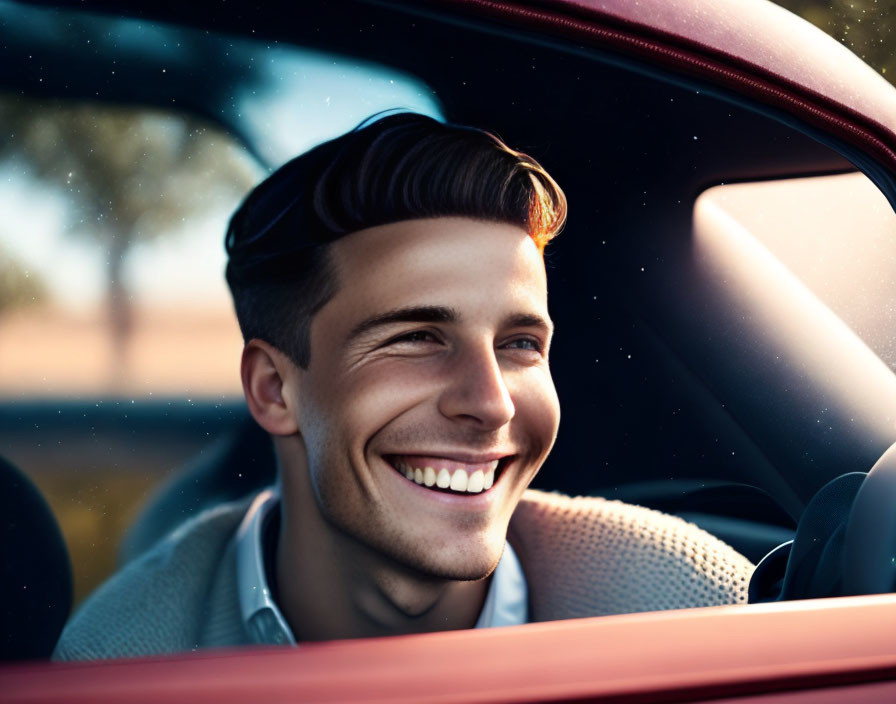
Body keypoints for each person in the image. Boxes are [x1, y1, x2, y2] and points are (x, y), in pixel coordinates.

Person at [54, 113, 753, 660]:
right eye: (416, 339)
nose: (491, 403)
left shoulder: (698, 607)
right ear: (273, 389)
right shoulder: (118, 661)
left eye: (519, 345)